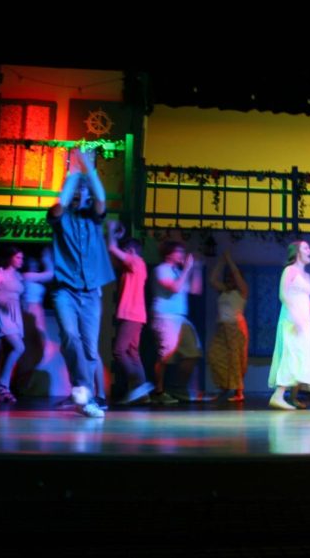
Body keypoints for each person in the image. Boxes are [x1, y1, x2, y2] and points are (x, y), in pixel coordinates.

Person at [48, 146, 115, 418]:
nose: (80, 194)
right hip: (65, 291)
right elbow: (60, 204)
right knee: (70, 336)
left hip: (91, 294)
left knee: (89, 348)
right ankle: (83, 390)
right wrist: (73, 175)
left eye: (83, 190)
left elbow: (101, 198)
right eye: (77, 190)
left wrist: (89, 169)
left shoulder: (94, 219)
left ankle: (84, 396)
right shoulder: (58, 217)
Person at [268, 240, 310, 410]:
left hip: (304, 322)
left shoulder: (307, 276)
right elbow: (283, 294)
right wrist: (294, 314)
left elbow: (306, 299)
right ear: (297, 252)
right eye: (306, 247)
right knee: (291, 354)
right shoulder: (290, 270)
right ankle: (278, 395)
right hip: (291, 320)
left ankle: (293, 397)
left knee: (303, 355)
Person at [150, 240, 204, 404]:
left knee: (193, 353)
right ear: (169, 254)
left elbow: (195, 290)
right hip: (165, 317)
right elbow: (173, 288)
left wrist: (197, 268)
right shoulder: (161, 270)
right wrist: (187, 268)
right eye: (178, 252)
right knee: (165, 356)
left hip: (180, 318)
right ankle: (158, 392)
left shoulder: (177, 271)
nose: (182, 255)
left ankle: (177, 388)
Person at [106, 221, 152, 404]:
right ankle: (143, 394)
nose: (122, 254)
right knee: (133, 353)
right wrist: (115, 238)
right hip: (136, 315)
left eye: (125, 250)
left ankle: (139, 385)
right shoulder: (135, 266)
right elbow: (112, 253)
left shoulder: (135, 262)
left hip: (131, 315)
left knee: (119, 351)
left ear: (131, 251)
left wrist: (110, 230)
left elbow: (111, 248)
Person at [207, 250, 249, 402]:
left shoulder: (242, 292)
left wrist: (230, 261)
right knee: (216, 356)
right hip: (222, 327)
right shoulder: (224, 290)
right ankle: (224, 387)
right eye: (228, 277)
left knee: (235, 358)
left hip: (235, 326)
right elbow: (212, 279)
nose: (231, 279)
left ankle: (239, 392)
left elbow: (237, 275)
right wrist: (221, 262)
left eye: (233, 278)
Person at [0, 246, 27, 403]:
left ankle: (4, 390)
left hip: (15, 314)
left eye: (22, 258)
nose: (21, 261)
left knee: (9, 350)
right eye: (18, 257)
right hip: (3, 313)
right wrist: (0, 302)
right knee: (19, 347)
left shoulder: (19, 276)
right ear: (10, 258)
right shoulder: (0, 273)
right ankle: (3, 386)